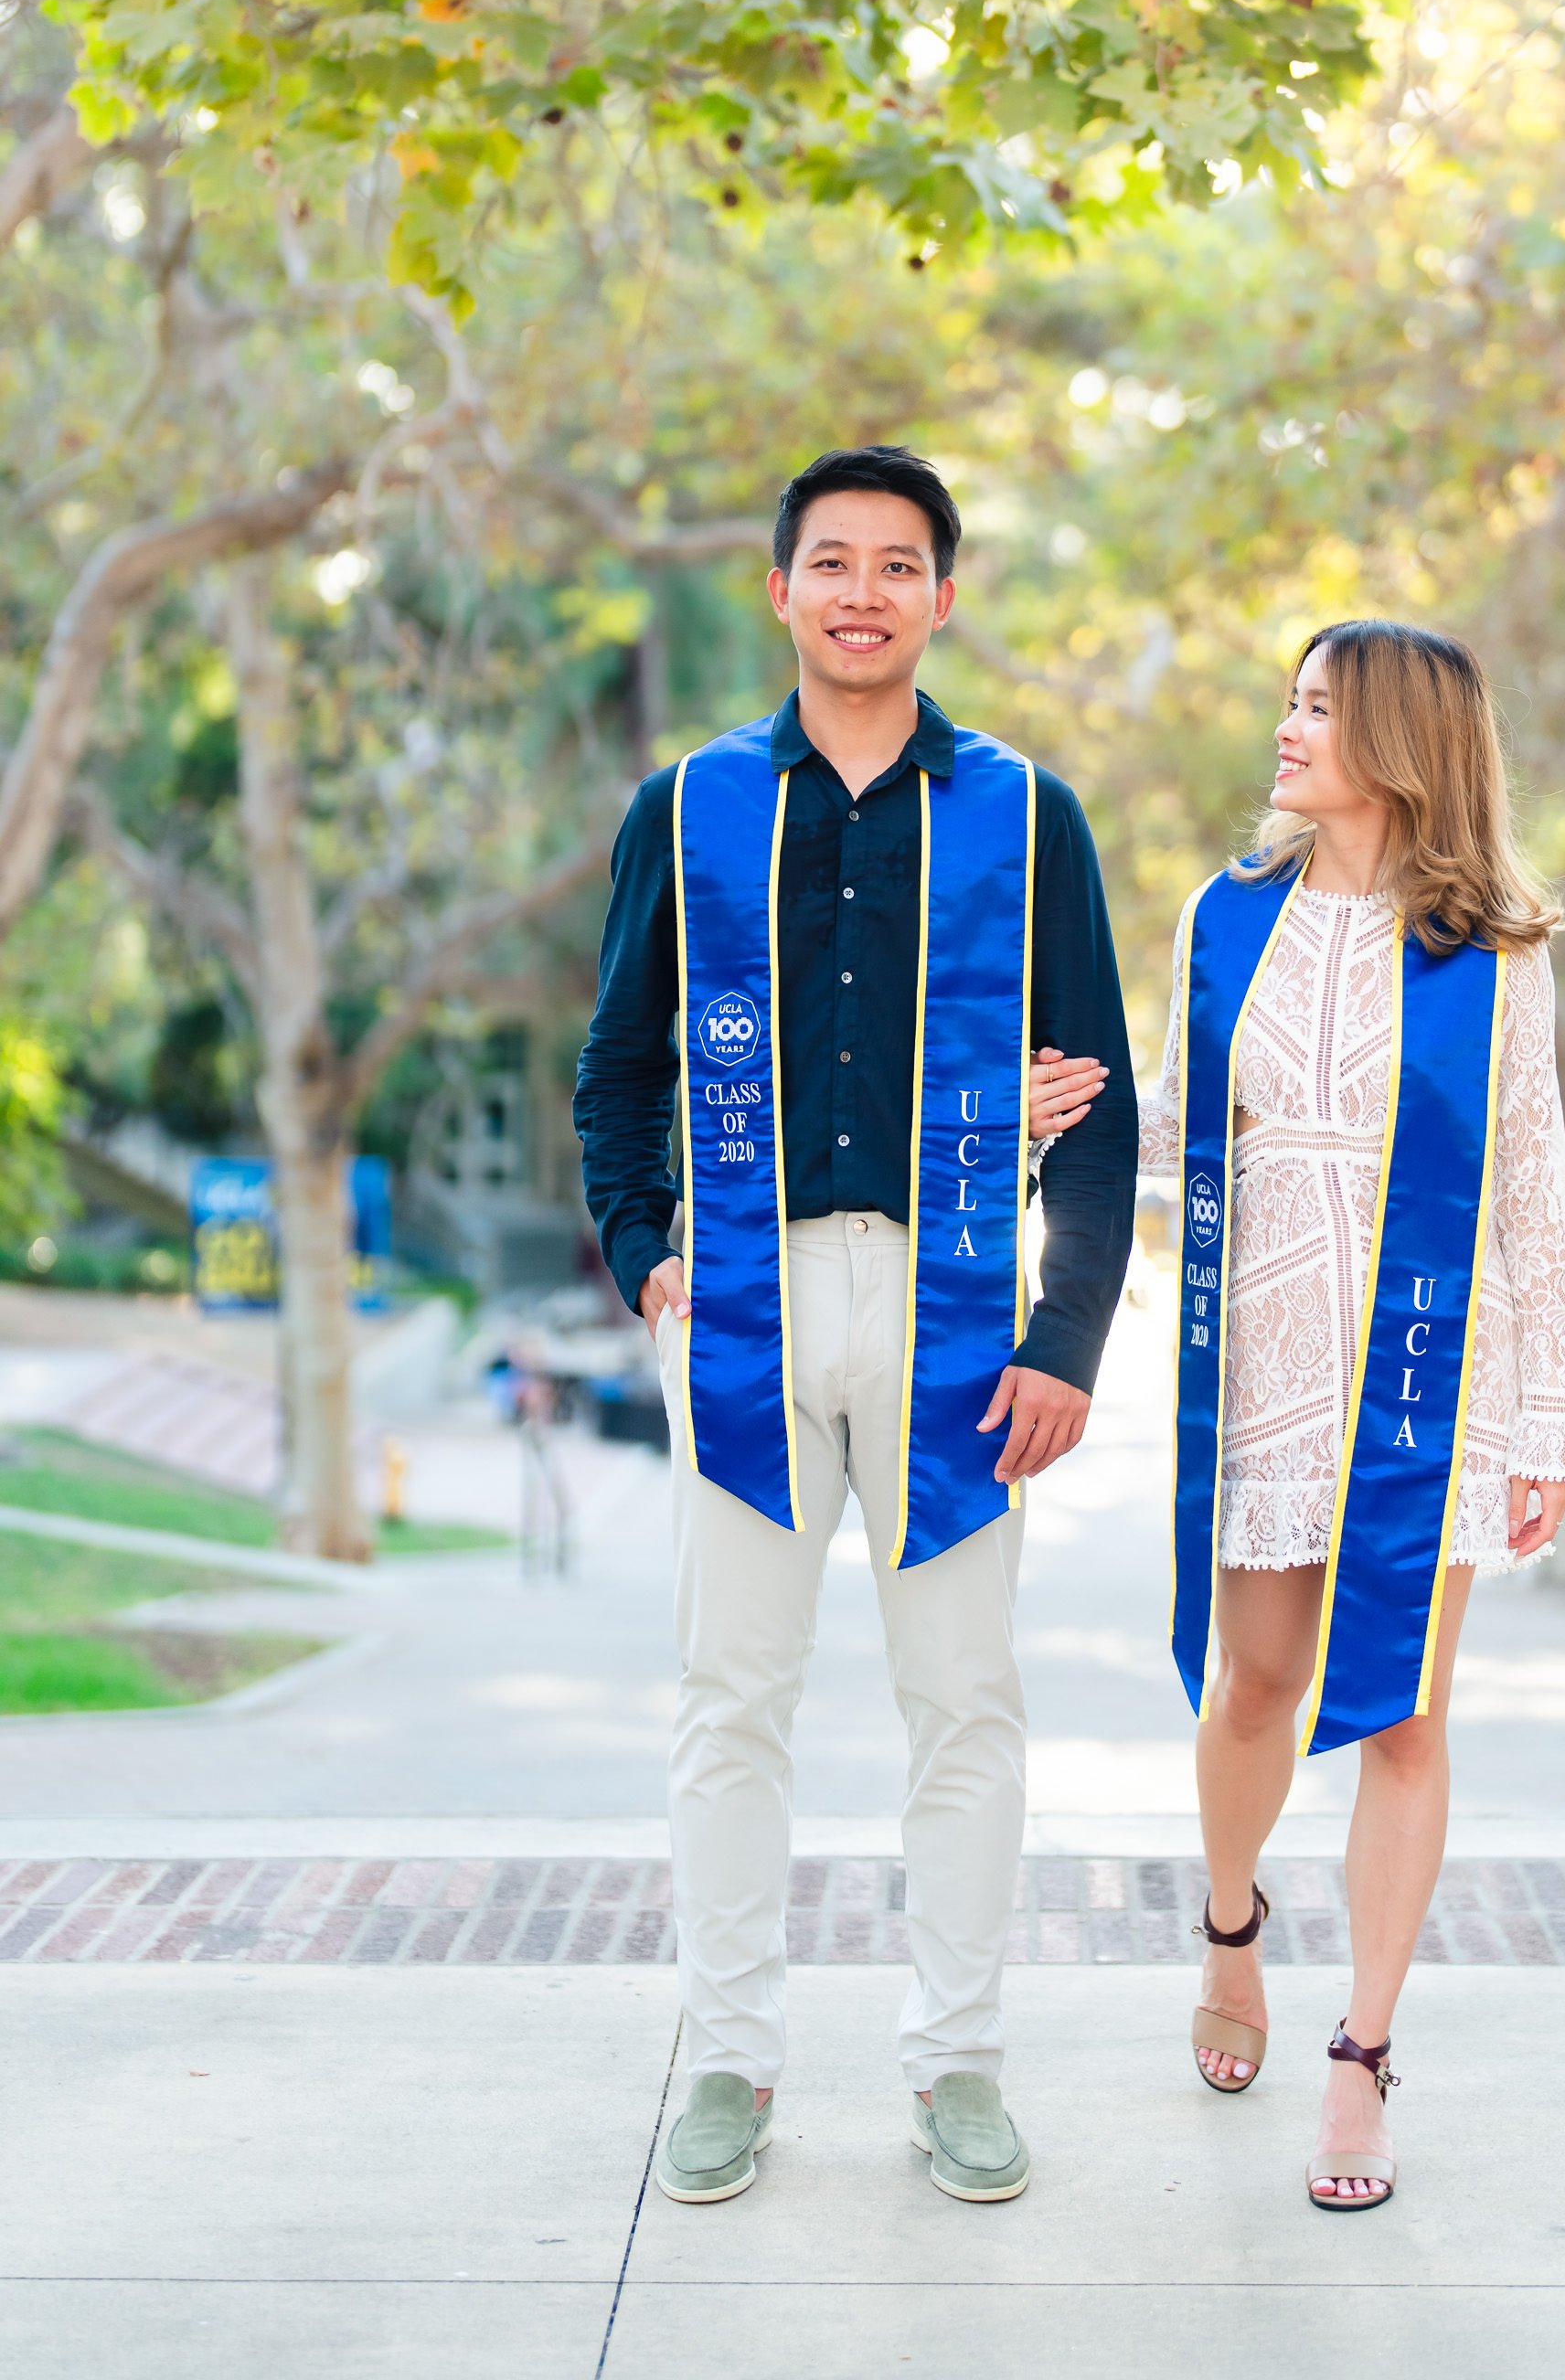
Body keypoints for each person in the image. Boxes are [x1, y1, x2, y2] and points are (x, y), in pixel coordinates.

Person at [574, 446, 1136, 2210]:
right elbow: (614, 1068)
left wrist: (1067, 1338)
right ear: (783, 593)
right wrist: (645, 1250)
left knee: (965, 1703)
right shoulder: (690, 810)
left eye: (902, 563)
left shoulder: (1028, 819)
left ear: (944, 598)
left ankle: (957, 2060)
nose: (866, 590)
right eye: (834, 561)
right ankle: (731, 2060)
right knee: (728, 1702)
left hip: (952, 1308)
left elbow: (1100, 1097)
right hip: (739, 1303)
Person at [1031, 620, 1565, 2212]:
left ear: (1404, 741)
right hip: (1266, 1357)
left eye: (1319, 710)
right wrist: (1046, 1134)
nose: (1286, 730)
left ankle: (1361, 2059)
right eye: (1287, 700)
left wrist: (1545, 1419)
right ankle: (1230, 1924)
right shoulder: (1228, 919)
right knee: (1256, 1685)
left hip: (1431, 1371)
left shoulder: (1493, 952)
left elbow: (1532, 1196)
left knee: (1407, 1714)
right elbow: (1168, 1143)